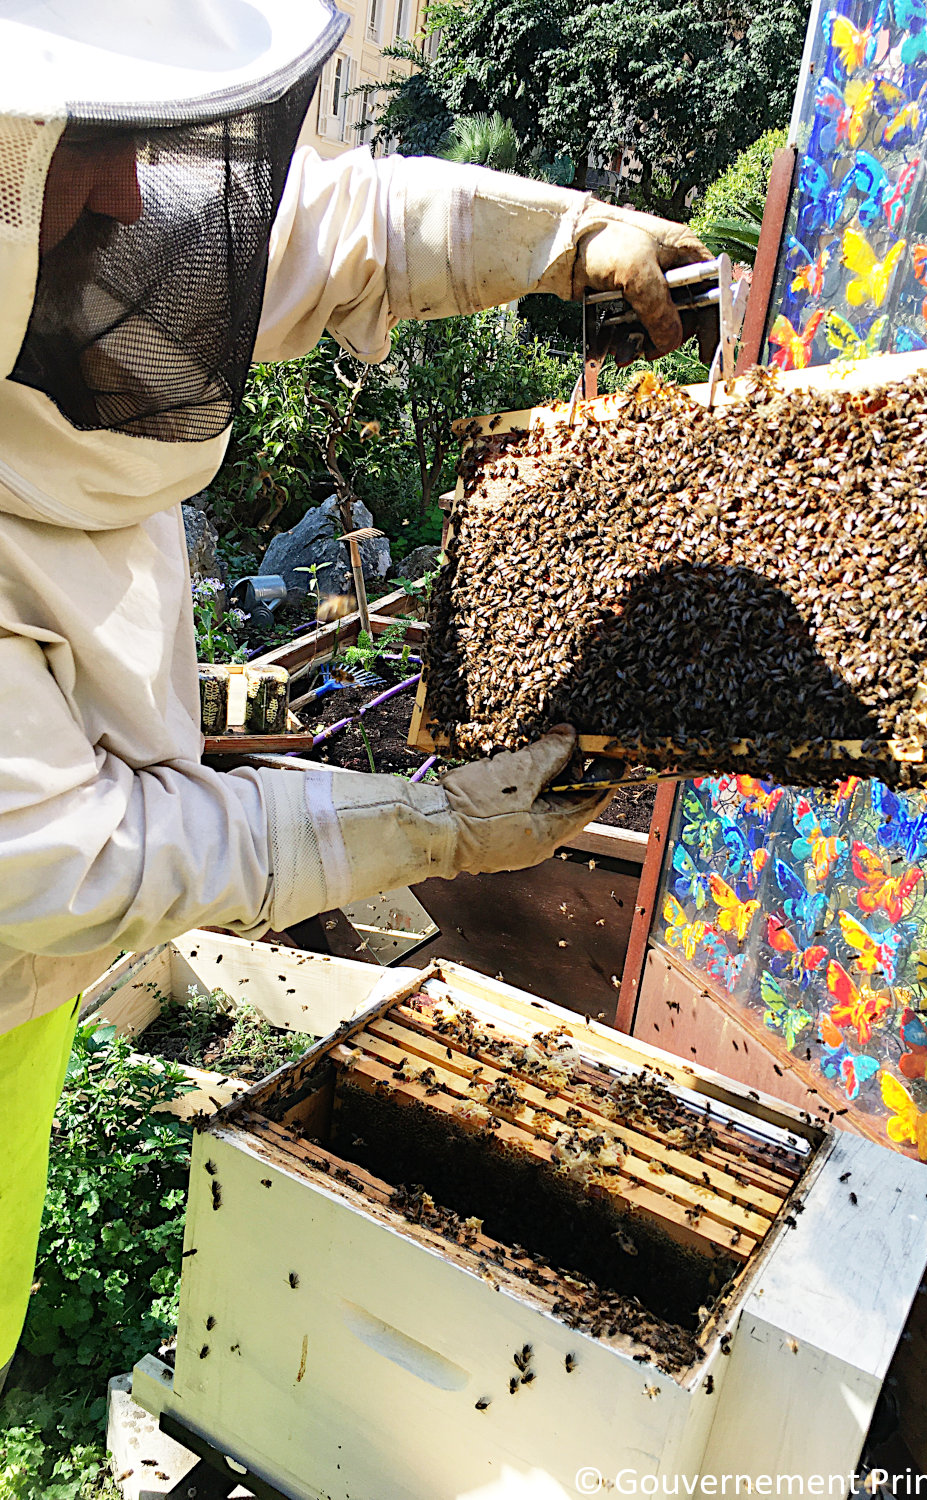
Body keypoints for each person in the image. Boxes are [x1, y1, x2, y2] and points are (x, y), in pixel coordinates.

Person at [0, 0, 711, 1388]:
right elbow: (69, 858)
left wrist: (565, 235)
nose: (137, 188)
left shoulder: (64, 220)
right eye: (96, 143)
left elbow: (329, 227)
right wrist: (430, 827)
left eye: (157, 139)